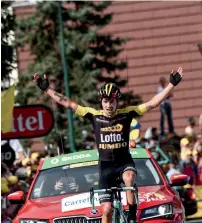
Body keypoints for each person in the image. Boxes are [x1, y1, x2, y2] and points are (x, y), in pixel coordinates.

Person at [33, 67, 183, 223]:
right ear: (101, 102)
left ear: (117, 101)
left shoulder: (127, 113)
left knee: (130, 178)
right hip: (106, 169)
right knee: (106, 211)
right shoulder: (94, 116)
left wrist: (171, 84)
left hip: (124, 162)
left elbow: (153, 103)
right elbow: (68, 103)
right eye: (105, 101)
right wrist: (47, 89)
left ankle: (132, 216)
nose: (109, 105)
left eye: (112, 101)